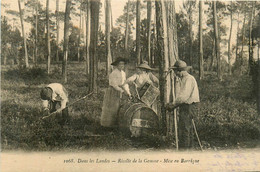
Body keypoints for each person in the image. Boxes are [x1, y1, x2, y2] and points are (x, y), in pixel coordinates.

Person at [165, 60, 200, 149]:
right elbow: (180, 95)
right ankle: (188, 148)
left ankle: (184, 150)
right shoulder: (183, 79)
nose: (175, 74)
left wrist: (173, 105)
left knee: (185, 128)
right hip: (185, 105)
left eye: (176, 71)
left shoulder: (188, 79)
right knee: (186, 128)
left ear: (180, 71)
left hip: (189, 106)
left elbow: (183, 96)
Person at [101, 57, 130, 128]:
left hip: (121, 90)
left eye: (123, 64)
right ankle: (108, 125)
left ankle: (118, 124)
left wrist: (128, 92)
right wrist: (121, 90)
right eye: (120, 64)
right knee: (113, 107)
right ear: (117, 65)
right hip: (113, 91)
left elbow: (125, 83)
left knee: (121, 107)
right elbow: (114, 84)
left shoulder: (123, 73)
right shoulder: (113, 73)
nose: (122, 66)